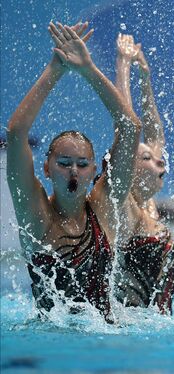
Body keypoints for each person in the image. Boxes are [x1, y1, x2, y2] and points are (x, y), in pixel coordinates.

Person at [6, 22, 141, 322]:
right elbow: (16, 133)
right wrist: (55, 68)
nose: (74, 172)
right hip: (51, 341)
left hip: (104, 336)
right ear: (46, 168)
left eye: (82, 165)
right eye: (64, 164)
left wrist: (88, 69)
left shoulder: (104, 206)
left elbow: (131, 128)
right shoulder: (36, 214)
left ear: (95, 170)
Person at [111, 34, 174, 315]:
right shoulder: (121, 202)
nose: (160, 162)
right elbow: (126, 126)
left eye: (158, 159)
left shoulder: (148, 204)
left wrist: (145, 77)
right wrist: (123, 64)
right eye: (147, 158)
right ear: (127, 166)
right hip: (129, 331)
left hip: (157, 329)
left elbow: (154, 134)